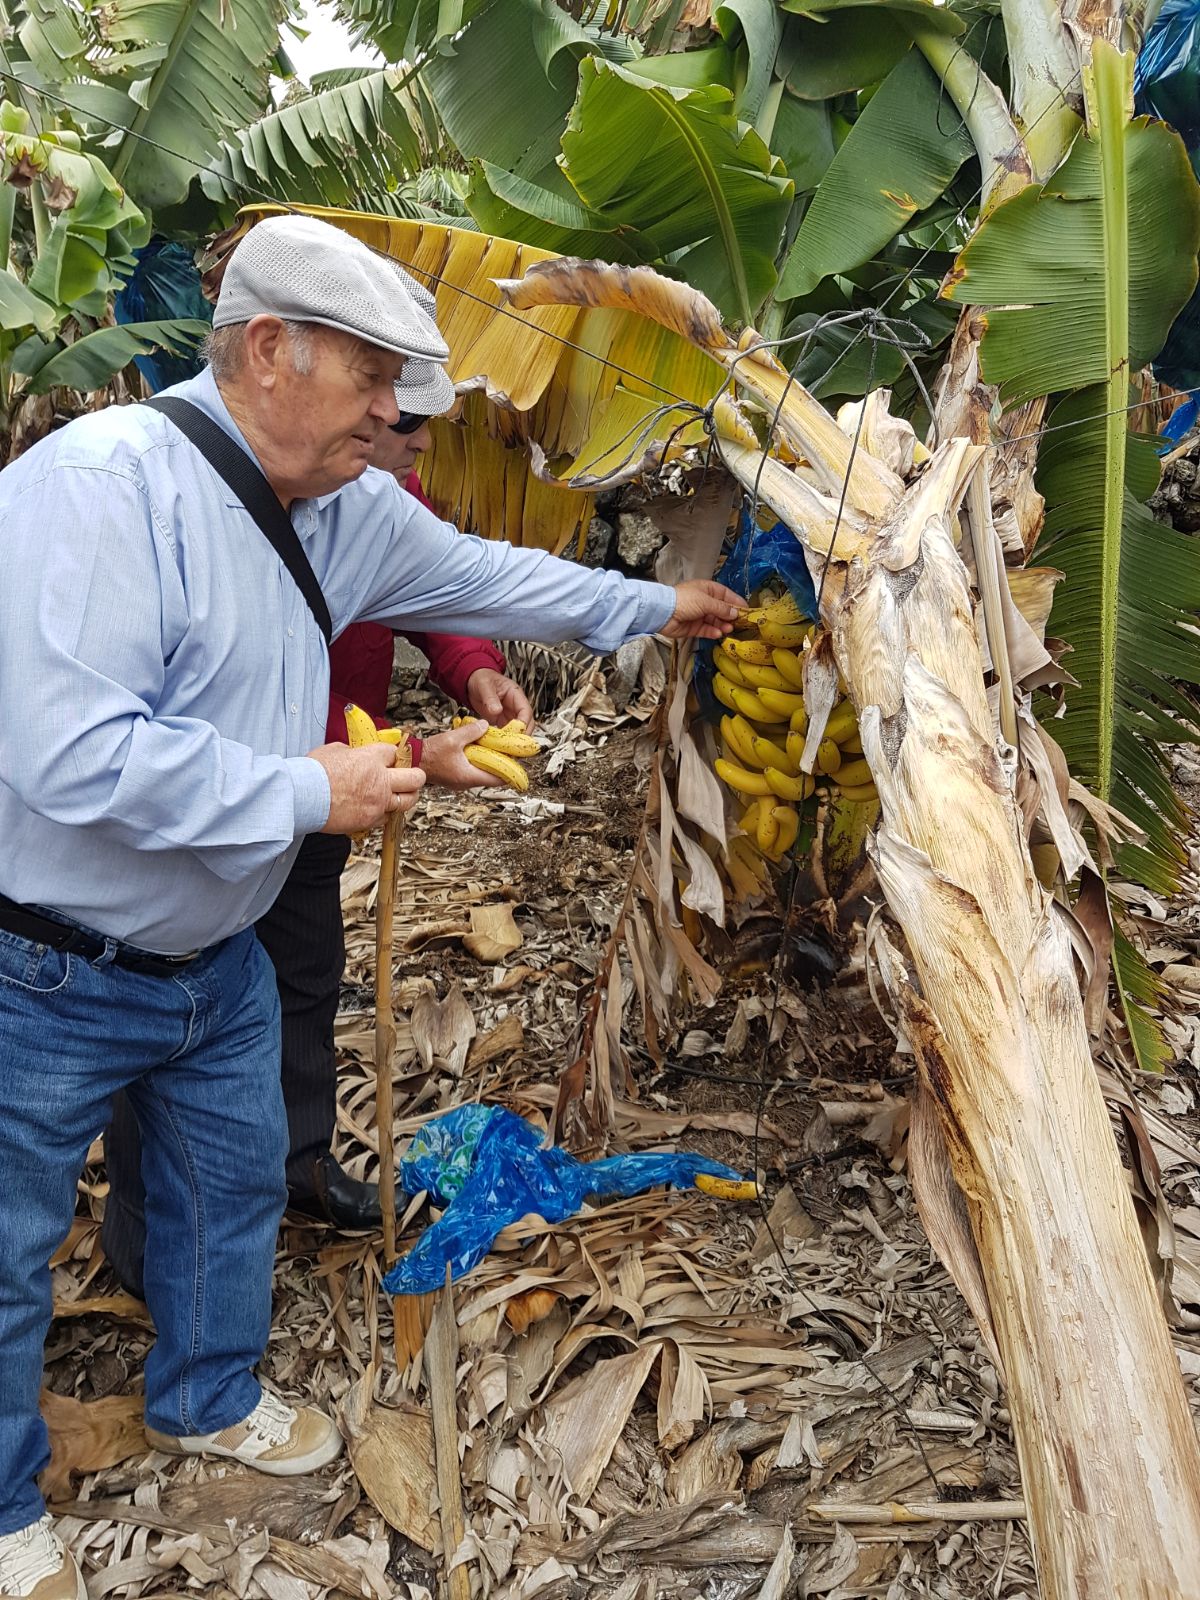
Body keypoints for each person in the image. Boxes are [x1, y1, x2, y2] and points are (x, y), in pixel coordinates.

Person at [0, 211, 744, 1597]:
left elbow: (495, 579)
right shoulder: (97, 490)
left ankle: (207, 1396)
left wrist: (655, 608)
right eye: (372, 382)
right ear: (268, 350)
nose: (395, 417)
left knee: (232, 1195)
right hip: (49, 966)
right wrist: (311, 788)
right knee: (7, 1244)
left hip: (216, 954)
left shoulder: (340, 509)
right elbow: (71, 756)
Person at [101, 408, 535, 1281]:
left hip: (334, 786)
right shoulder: (209, 485)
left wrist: (472, 666)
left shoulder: (384, 495)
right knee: (155, 999)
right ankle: (144, 1228)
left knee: (303, 970)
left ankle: (298, 1161)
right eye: (394, 410)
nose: (410, 434)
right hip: (215, 786)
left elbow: (431, 588)